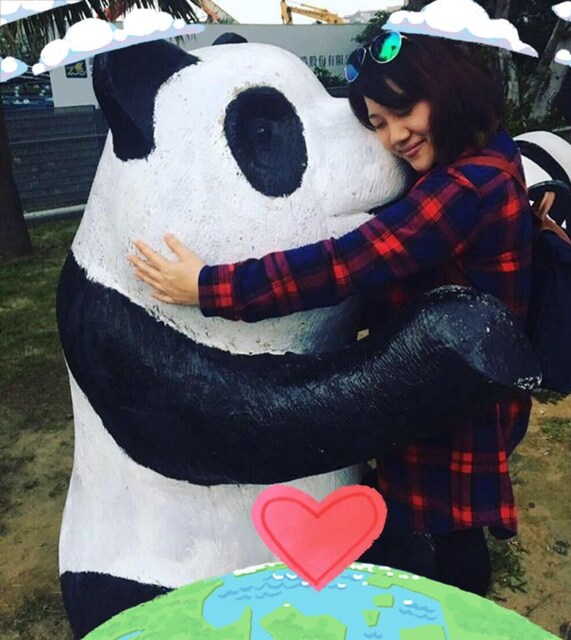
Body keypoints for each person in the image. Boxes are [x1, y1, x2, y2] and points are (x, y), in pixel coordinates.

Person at [129, 32, 533, 596]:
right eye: (378, 124)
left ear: (445, 90)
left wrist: (209, 286)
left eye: (403, 112)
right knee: (444, 526)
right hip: (468, 381)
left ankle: (455, 617)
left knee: (442, 532)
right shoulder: (489, 153)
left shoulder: (463, 190)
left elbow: (343, 264)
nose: (395, 137)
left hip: (451, 396)